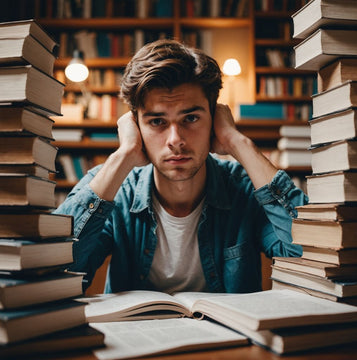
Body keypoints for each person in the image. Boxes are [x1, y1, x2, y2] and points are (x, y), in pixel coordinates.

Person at [55, 39, 308, 294]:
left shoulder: (243, 189)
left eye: (191, 118)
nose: (175, 140)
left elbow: (310, 257)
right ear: (136, 127)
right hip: (136, 334)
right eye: (156, 121)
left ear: (214, 119)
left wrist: (237, 141)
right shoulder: (114, 189)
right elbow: (54, 275)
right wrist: (125, 155)